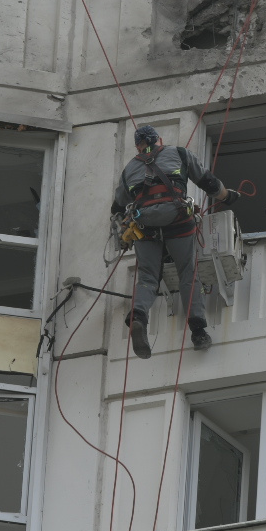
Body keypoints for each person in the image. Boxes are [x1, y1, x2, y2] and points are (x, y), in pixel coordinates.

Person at [113, 125, 235, 358]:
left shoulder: (129, 169)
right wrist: (228, 196)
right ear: (159, 139)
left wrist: (123, 233)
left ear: (137, 145)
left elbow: (118, 208)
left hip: (144, 226)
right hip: (178, 221)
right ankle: (198, 332)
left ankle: (138, 315)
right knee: (188, 273)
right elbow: (208, 182)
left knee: (148, 276)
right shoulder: (179, 153)